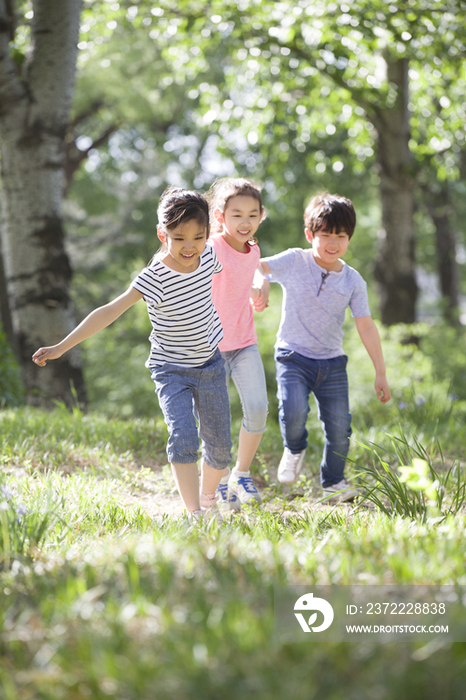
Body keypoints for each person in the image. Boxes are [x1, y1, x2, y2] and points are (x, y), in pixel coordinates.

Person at [32, 187, 232, 519]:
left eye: (198, 237)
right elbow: (108, 311)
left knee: (220, 448)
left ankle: (209, 497)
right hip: (171, 369)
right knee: (183, 434)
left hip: (210, 363)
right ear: (162, 234)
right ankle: (195, 512)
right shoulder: (154, 277)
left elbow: (233, 271)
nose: (190, 246)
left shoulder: (209, 256)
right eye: (179, 237)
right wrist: (60, 347)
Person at [258, 192, 391, 502]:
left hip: (332, 364)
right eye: (326, 234)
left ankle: (333, 481)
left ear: (349, 238)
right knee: (293, 412)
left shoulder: (353, 281)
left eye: (341, 236)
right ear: (310, 234)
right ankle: (294, 448)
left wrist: (380, 372)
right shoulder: (295, 260)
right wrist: (260, 281)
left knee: (340, 428)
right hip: (292, 356)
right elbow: (258, 266)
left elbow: (366, 326)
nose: (333, 242)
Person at [206, 177, 269, 509]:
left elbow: (255, 269)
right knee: (213, 422)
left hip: (244, 342)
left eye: (252, 215)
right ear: (220, 217)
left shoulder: (253, 248)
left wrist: (263, 283)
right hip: (209, 347)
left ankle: (242, 473)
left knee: (258, 408)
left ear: (260, 216)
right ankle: (218, 480)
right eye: (236, 215)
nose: (245, 222)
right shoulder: (212, 246)